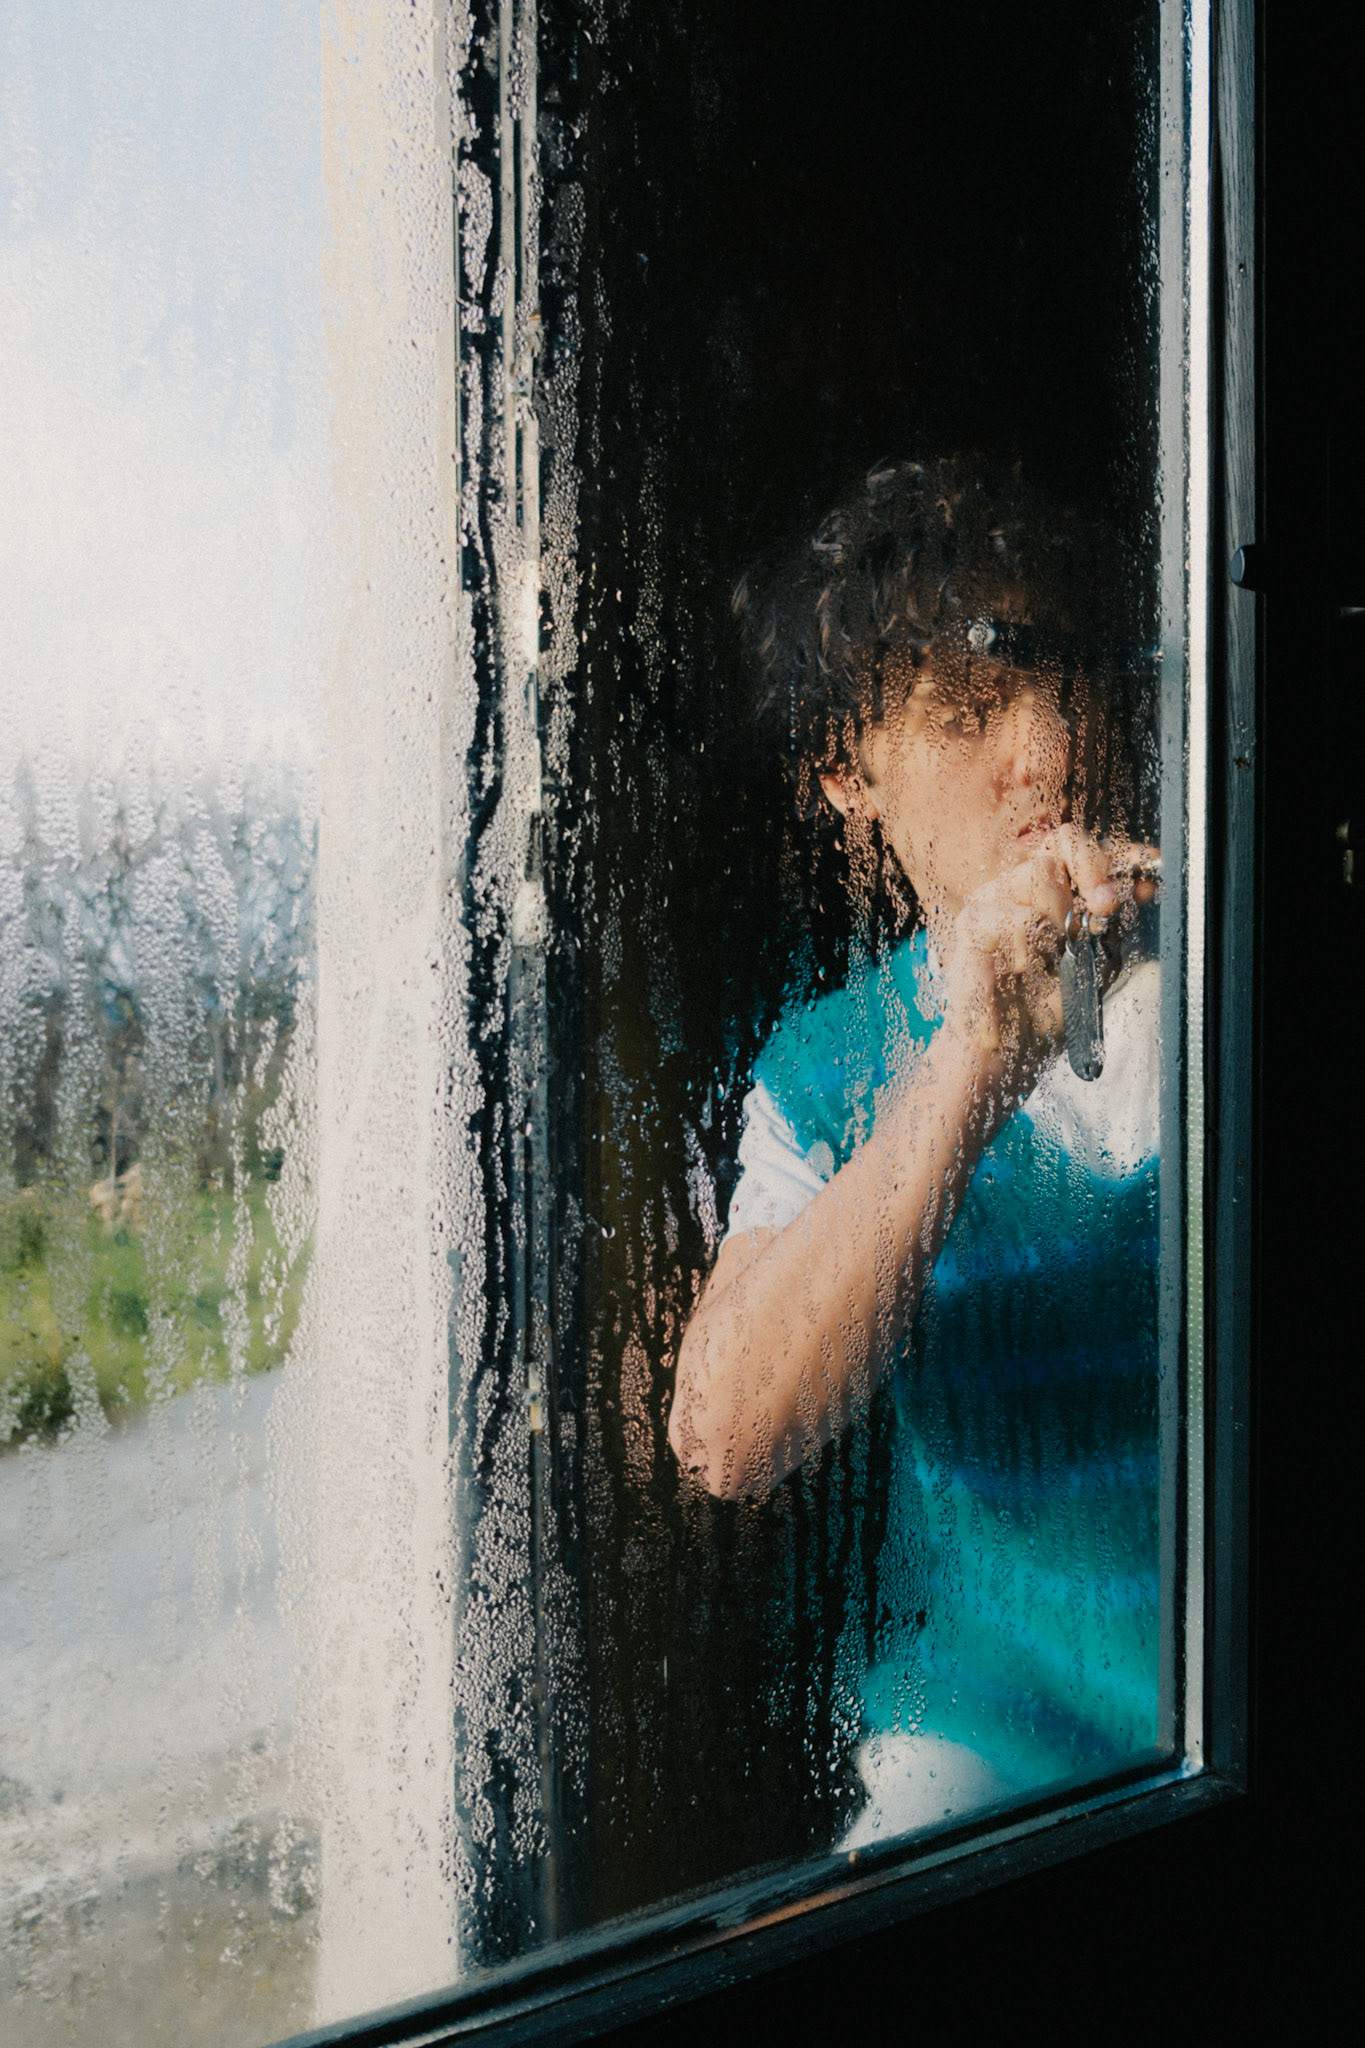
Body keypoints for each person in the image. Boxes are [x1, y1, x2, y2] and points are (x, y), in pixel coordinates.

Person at [669, 457, 1165, 1826]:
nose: (1048, 751)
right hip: (982, 1746)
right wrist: (971, 1066)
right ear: (848, 771)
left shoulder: (1233, 952)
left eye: (1066, 685)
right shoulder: (824, 1073)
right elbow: (725, 1437)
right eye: (968, 713)